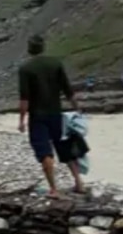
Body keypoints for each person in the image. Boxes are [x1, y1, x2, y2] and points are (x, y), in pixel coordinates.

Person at [18, 34, 84, 198]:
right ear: (43, 47)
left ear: (29, 47)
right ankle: (79, 182)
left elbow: (24, 98)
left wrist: (21, 120)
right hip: (56, 113)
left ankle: (54, 189)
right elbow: (68, 90)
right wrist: (78, 110)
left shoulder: (25, 68)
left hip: (38, 116)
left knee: (45, 152)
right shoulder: (56, 64)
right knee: (66, 148)